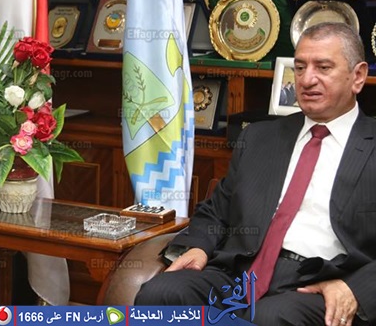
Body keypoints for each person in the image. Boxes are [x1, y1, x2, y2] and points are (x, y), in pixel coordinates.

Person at [135, 22, 375, 326]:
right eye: (300, 68)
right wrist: (198, 246)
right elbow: (217, 210)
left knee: (268, 318)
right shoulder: (260, 137)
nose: (307, 79)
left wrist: (355, 289)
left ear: (358, 76)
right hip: (240, 271)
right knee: (161, 294)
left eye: (323, 67)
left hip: (320, 283)